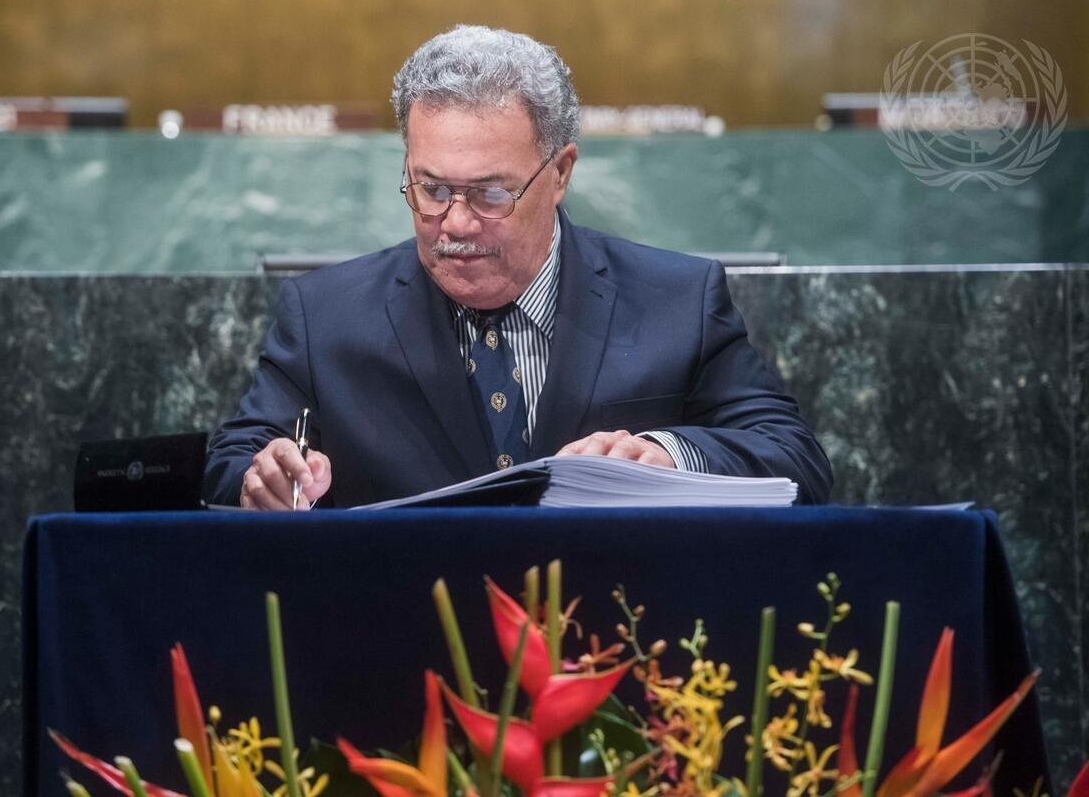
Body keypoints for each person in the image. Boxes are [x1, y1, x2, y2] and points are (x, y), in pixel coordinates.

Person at [204, 25, 832, 509]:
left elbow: (796, 460)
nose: (454, 222)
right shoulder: (325, 316)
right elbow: (230, 460)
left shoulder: (678, 299)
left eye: (490, 194)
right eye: (429, 189)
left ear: (559, 173)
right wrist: (261, 479)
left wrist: (666, 454)